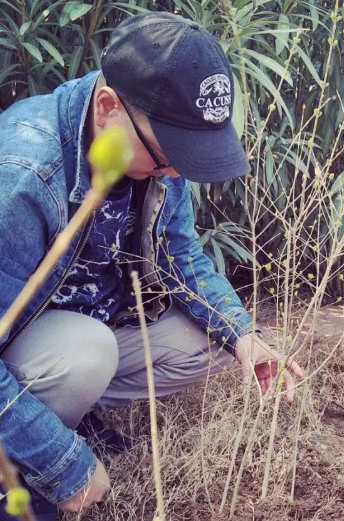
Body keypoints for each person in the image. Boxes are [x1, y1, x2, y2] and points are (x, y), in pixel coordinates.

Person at [0, 13, 302, 521]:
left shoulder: (146, 143)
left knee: (211, 341)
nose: (177, 171)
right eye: (167, 156)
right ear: (108, 106)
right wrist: (61, 463)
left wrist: (243, 334)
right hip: (39, 345)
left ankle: (69, 413)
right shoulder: (23, 177)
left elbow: (182, 256)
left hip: (84, 327)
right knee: (86, 353)